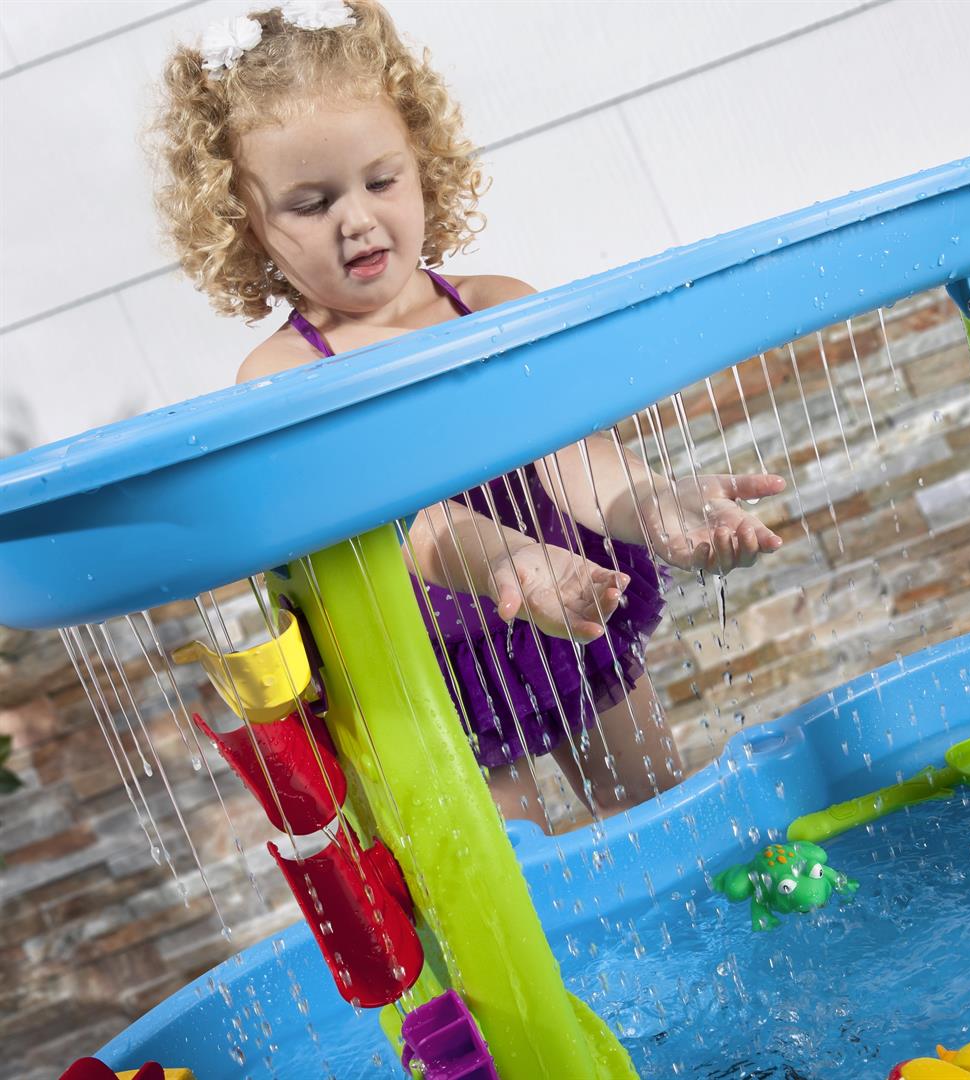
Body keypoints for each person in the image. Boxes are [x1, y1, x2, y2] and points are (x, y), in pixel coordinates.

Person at [151, 0, 786, 832]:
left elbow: (571, 457)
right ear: (245, 224)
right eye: (310, 203)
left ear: (422, 162)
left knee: (660, 809)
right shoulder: (284, 373)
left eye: (381, 180)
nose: (357, 218)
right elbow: (405, 522)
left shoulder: (493, 306)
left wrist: (650, 505)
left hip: (558, 594)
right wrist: (508, 559)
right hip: (427, 660)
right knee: (512, 872)